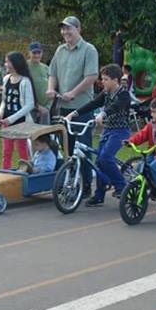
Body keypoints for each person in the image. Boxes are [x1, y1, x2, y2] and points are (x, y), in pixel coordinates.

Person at [66, 63, 131, 207]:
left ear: (115, 80)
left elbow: (116, 106)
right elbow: (93, 103)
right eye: (102, 79)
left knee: (105, 158)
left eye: (106, 79)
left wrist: (103, 113)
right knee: (99, 162)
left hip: (120, 132)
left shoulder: (124, 94)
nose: (102, 82)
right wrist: (74, 113)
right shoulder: (106, 93)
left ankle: (122, 186)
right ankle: (99, 195)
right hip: (108, 130)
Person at [47, 16, 99, 190]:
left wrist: (73, 93)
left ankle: (85, 186)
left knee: (82, 147)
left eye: (68, 28)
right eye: (63, 29)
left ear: (78, 29)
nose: (65, 32)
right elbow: (52, 73)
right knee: (67, 147)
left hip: (82, 107)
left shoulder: (89, 50)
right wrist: (50, 88)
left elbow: (92, 76)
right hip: (63, 107)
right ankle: (71, 182)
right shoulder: (60, 50)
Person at [0, 51, 37, 169]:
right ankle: (4, 173)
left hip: (21, 122)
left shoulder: (25, 81)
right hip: (6, 122)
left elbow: (30, 104)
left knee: (22, 150)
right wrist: (1, 114)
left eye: (8, 61)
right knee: (6, 150)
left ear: (15, 63)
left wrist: (12, 119)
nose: (6, 64)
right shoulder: (6, 79)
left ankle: (24, 172)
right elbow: (4, 100)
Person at [27, 43, 52, 123]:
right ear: (29, 53)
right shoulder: (25, 67)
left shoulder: (46, 68)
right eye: (34, 53)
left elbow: (51, 88)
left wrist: (47, 107)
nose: (37, 55)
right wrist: (37, 106)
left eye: (39, 52)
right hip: (29, 109)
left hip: (45, 110)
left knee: (44, 134)